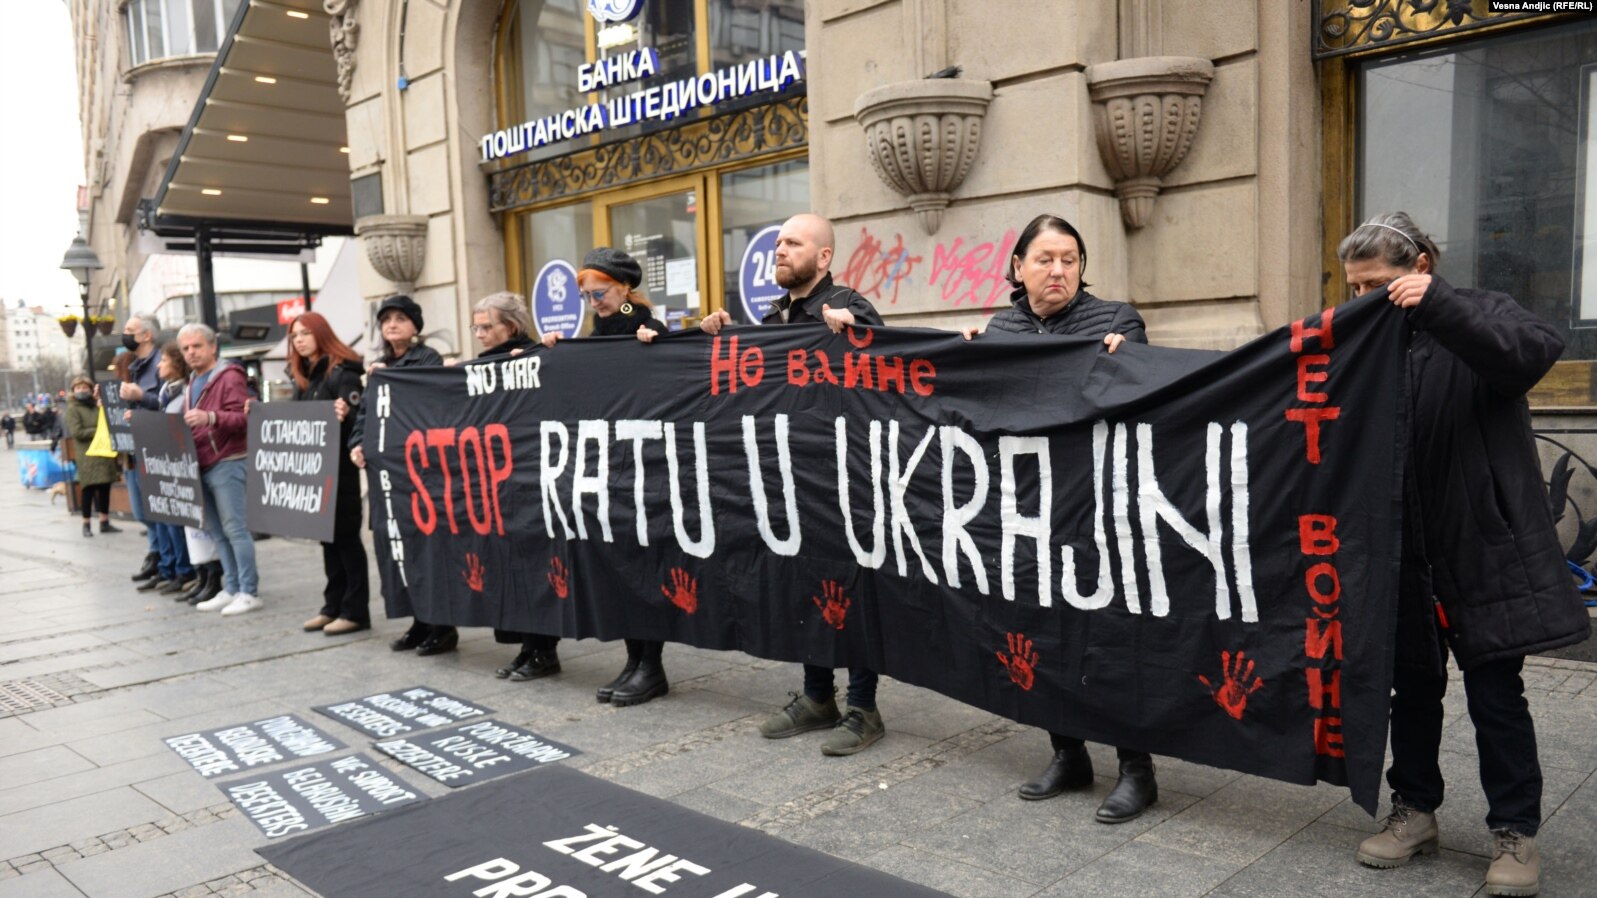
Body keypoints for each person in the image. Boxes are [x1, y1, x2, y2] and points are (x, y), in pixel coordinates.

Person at [1342, 213, 1589, 897]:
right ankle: (1414, 812)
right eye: (1353, 289)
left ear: (1420, 266)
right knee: (1411, 692)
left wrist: (1440, 307)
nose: (1363, 300)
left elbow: (1530, 353)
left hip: (1480, 550)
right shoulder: (1363, 344)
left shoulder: (1480, 313)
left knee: (1495, 696)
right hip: (1403, 555)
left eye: (1378, 285)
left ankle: (1515, 832)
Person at [961, 213, 1157, 824]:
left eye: (1069, 259)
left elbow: (1146, 401)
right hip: (1026, 509)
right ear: (1018, 268)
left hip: (1097, 508)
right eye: (1044, 259)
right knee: (1038, 634)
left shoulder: (1116, 321)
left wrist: (1132, 364)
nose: (1058, 270)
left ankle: (1137, 770)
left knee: (1110, 639)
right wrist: (963, 360)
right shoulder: (1001, 327)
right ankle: (1067, 753)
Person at [694, 212, 889, 756]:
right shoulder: (774, 317)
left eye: (792, 243)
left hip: (847, 480)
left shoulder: (850, 304)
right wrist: (727, 339)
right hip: (793, 479)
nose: (779, 251)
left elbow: (886, 365)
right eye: (778, 243)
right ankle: (816, 697)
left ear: (823, 257)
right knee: (808, 584)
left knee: (853, 588)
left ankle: (864, 707)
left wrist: (855, 330)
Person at [544, 248, 670, 707]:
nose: (593, 302)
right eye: (585, 295)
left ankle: (650, 666)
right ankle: (635, 662)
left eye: (599, 292)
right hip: (609, 466)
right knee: (618, 567)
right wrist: (558, 352)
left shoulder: (647, 326)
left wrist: (650, 339)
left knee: (641, 564)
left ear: (624, 288)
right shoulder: (598, 331)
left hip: (641, 466)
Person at [347, 295, 454, 654]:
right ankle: (418, 621)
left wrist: (389, 376)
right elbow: (365, 416)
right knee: (398, 548)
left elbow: (428, 401)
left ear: (415, 326)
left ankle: (442, 625)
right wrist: (358, 444)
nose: (391, 325)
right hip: (388, 474)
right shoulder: (378, 365)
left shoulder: (426, 358)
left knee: (427, 548)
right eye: (386, 319)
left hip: (420, 472)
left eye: (400, 319)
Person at [470, 291, 561, 680]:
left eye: (486, 326)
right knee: (508, 568)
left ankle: (543, 650)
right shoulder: (480, 366)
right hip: (497, 484)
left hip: (531, 481)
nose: (479, 334)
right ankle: (526, 647)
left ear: (511, 326)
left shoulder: (537, 357)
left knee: (534, 567)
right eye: (476, 327)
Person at [285, 312, 371, 636]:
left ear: (321, 334)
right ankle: (332, 605)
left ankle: (355, 610)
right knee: (328, 540)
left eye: (306, 333)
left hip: (341, 472)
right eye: (295, 336)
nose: (300, 340)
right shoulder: (305, 376)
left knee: (346, 540)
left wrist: (345, 414)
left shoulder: (342, 373)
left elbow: (359, 419)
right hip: (317, 473)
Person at [178, 323, 261, 617]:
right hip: (203, 462)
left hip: (227, 459)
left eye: (197, 346)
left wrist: (210, 417)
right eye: (186, 348)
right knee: (218, 531)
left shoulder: (229, 376)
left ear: (213, 347)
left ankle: (249, 591)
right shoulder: (192, 381)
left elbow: (244, 418)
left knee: (235, 528)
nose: (191, 352)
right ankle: (233, 586)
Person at [119, 314, 166, 581]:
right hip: (137, 447)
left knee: (156, 511)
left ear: (146, 334)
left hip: (157, 449)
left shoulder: (160, 363)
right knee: (143, 511)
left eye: (129, 330)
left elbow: (167, 404)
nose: (124, 334)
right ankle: (157, 554)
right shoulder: (137, 366)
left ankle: (163, 560)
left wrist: (141, 397)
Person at [65, 375, 121, 538]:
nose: (82, 391)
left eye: (85, 388)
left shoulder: (97, 406)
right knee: (88, 490)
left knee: (105, 488)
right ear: (73, 391)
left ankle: (104, 521)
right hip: (87, 454)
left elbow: (108, 422)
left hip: (103, 452)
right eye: (78, 388)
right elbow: (77, 432)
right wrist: (99, 430)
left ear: (91, 390)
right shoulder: (72, 409)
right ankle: (86, 524)